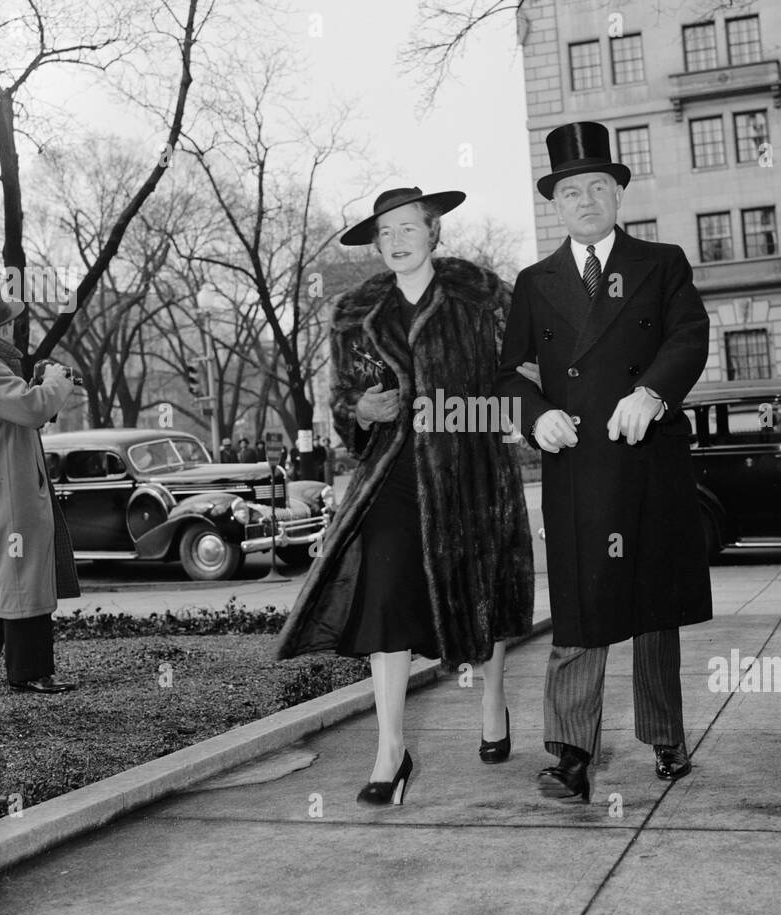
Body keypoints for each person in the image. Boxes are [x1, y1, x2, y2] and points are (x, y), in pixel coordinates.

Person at [275, 185, 534, 805]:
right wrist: (359, 410)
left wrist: (473, 418)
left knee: (485, 589)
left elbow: (518, 375)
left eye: (407, 228)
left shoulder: (482, 295)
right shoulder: (354, 313)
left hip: (471, 469)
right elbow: (341, 402)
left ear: (433, 231)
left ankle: (493, 697)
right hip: (391, 474)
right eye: (385, 232)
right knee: (386, 599)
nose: (396, 240)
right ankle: (391, 749)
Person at [495, 121, 712, 803]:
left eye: (596, 186)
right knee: (582, 613)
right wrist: (538, 416)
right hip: (577, 468)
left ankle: (666, 736)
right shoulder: (534, 282)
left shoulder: (663, 262)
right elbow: (509, 376)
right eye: (569, 192)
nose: (583, 200)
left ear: (618, 194)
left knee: (653, 610)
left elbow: (689, 337)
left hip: (648, 459)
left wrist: (652, 393)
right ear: (555, 206)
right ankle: (571, 755)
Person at [0, 299, 82, 692]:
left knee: (1, 573)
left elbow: (20, 410)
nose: (16, 332)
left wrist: (43, 386)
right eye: (11, 325)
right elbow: (30, 409)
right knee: (24, 575)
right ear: (0, 331)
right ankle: (30, 672)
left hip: (5, 486)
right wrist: (57, 381)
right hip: (12, 490)